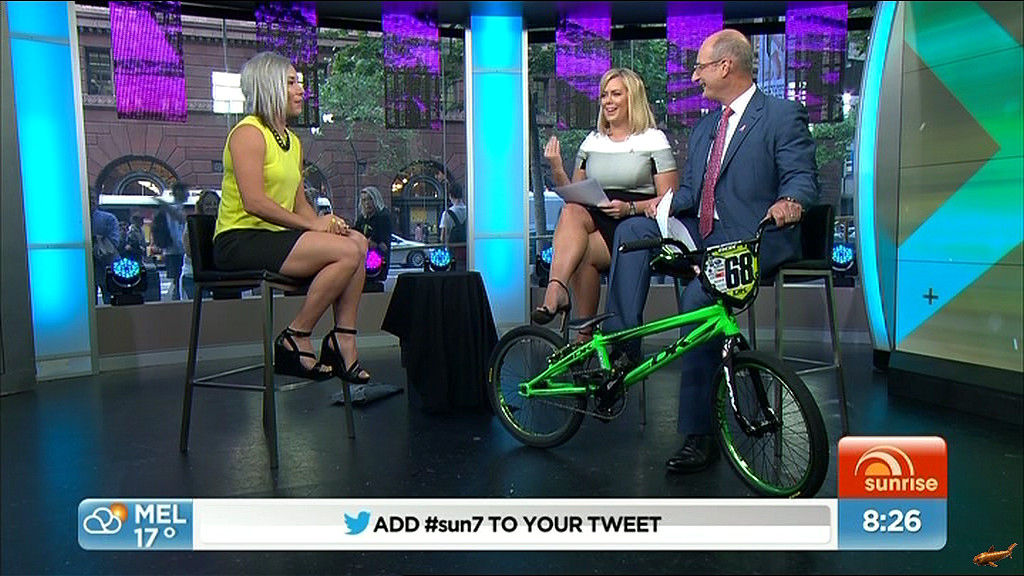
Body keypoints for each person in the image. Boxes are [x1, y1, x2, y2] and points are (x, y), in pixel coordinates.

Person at [604, 29, 820, 473]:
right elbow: (689, 194)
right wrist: (651, 207)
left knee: (699, 298)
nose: (694, 75)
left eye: (700, 66)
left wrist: (790, 202)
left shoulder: (781, 116)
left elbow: (801, 177)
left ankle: (699, 434)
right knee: (631, 232)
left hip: (751, 238)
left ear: (726, 66)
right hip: (701, 236)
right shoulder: (706, 128)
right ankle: (624, 345)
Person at [214, 51, 369, 383]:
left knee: (357, 242)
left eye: (299, 83)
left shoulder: (292, 142)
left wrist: (327, 226)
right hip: (240, 240)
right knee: (346, 251)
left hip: (276, 237)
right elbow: (254, 202)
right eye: (291, 83)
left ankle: (343, 339)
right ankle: (297, 335)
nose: (301, 90)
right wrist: (314, 225)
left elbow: (299, 205)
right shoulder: (248, 133)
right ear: (269, 86)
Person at [537, 67, 678, 340]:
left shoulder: (652, 139)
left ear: (632, 98)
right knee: (570, 211)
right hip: (598, 218)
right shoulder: (592, 141)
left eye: (615, 94)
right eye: (604, 95)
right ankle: (557, 290)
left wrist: (630, 208)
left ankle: (583, 333)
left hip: (637, 224)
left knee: (582, 253)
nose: (608, 101)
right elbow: (574, 195)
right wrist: (556, 167)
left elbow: (670, 198)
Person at [180, 189, 221, 299]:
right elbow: (189, 251)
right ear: (201, 206)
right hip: (192, 276)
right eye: (208, 204)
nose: (212, 207)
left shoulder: (221, 223)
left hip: (217, 277)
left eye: (215, 204)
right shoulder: (192, 224)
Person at [90, 191, 121, 305]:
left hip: (107, 265)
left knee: (111, 301)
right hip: (87, 269)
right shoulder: (73, 220)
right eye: (88, 198)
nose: (91, 201)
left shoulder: (108, 218)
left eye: (93, 198)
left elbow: (114, 242)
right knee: (88, 303)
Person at [158, 183, 189, 300]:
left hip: (174, 250)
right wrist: (183, 247)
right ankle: (177, 302)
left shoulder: (176, 208)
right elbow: (176, 233)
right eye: (185, 191)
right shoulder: (174, 209)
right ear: (178, 192)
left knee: (177, 281)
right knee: (178, 280)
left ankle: (177, 300)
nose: (188, 194)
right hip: (176, 251)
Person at [354, 186, 392, 268]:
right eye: (364, 200)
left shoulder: (383, 216)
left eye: (370, 199)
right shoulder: (362, 218)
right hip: (363, 255)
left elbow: (375, 241)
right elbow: (356, 232)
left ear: (376, 199)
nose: (367, 203)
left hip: (377, 257)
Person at [438, 182, 467, 268]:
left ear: (450, 195)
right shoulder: (469, 211)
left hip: (453, 254)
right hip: (468, 253)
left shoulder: (447, 214)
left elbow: (443, 238)